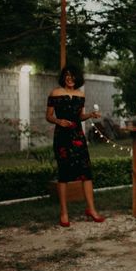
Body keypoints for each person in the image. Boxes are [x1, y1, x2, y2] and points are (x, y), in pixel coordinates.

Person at [45, 65, 105, 227]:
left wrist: (91, 115)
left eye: (73, 76)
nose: (70, 79)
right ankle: (64, 212)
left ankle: (91, 209)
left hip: (78, 136)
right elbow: (48, 116)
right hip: (62, 137)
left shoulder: (81, 94)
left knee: (86, 173)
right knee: (64, 173)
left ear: (77, 78)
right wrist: (59, 121)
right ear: (63, 77)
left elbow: (80, 116)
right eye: (67, 76)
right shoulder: (55, 93)